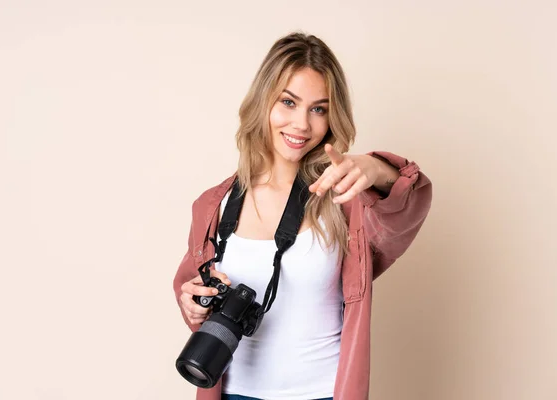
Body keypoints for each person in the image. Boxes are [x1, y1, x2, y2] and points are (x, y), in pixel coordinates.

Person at [173, 32, 433, 400]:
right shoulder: (213, 206)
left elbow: (409, 201)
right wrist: (192, 302)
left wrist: (375, 168)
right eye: (288, 102)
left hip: (323, 392)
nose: (301, 125)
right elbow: (194, 296)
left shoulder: (346, 198)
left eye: (318, 109)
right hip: (231, 392)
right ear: (263, 102)